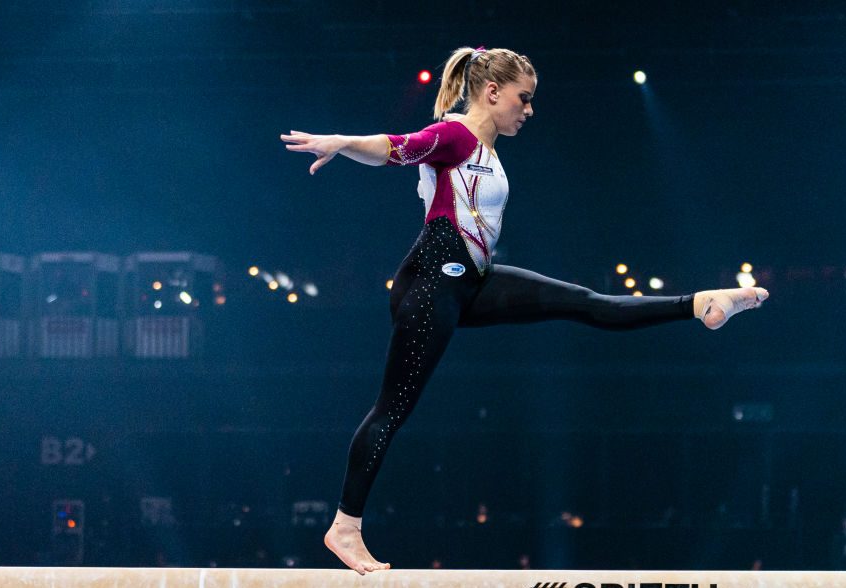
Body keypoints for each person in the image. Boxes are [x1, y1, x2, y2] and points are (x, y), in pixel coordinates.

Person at [280, 46, 768, 575]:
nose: (530, 110)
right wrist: (343, 142)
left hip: (472, 281)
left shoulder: (488, 153)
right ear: (492, 92)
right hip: (431, 284)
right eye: (524, 98)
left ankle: (699, 304)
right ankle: (345, 526)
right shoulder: (457, 135)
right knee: (393, 407)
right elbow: (396, 147)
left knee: (584, 302)